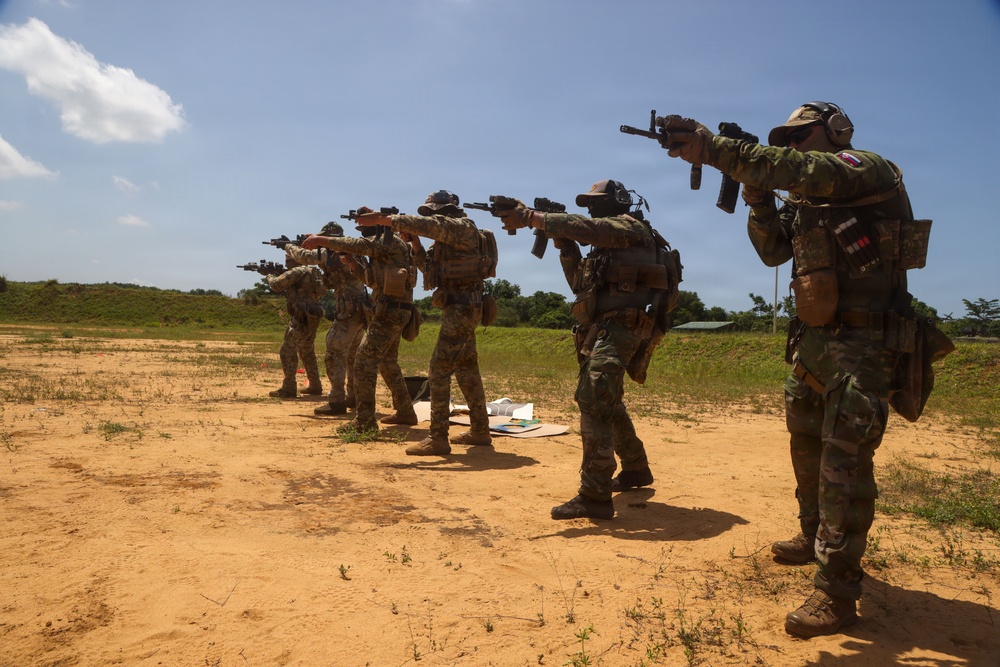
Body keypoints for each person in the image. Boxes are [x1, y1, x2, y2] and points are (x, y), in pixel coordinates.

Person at [658, 102, 932, 637]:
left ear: (834, 131)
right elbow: (772, 253)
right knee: (805, 445)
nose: (791, 145)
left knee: (844, 466)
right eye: (783, 138)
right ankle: (813, 537)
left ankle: (836, 592)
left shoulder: (865, 168)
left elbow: (802, 170)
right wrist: (758, 203)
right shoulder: (806, 200)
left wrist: (717, 150)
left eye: (799, 135)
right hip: (814, 344)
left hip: (866, 342)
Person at [497, 180, 680, 521]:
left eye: (598, 202)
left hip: (623, 327)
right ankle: (636, 468)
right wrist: (566, 246)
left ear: (619, 203)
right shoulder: (608, 247)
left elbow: (590, 227)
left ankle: (594, 495)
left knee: (594, 400)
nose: (591, 208)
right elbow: (580, 286)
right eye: (588, 203)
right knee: (607, 399)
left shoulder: (629, 228)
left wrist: (532, 217)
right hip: (610, 327)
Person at [355, 190, 492, 456]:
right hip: (461, 306)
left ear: (450, 209)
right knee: (466, 368)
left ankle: (438, 437)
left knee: (439, 369)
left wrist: (384, 219)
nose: (432, 215)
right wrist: (415, 245)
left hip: (463, 307)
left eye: (435, 211)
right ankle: (480, 430)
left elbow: (430, 226)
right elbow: (428, 268)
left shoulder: (461, 227)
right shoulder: (447, 239)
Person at [300, 220, 418, 432]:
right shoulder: (386, 247)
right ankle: (405, 411)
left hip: (389, 312)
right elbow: (371, 282)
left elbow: (355, 243)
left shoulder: (385, 241)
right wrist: (353, 263)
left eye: (364, 229)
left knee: (363, 361)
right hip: (390, 309)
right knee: (388, 363)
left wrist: (319, 240)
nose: (362, 234)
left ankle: (364, 422)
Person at [285, 221, 371, 415]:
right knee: (351, 357)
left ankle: (336, 401)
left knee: (334, 354)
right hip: (362, 312)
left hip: (347, 313)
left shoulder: (330, 253)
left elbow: (302, 256)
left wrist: (288, 246)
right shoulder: (356, 252)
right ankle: (352, 397)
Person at [263, 255, 327, 399]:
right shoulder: (312, 271)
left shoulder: (296, 271)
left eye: (288, 260)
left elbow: (276, 285)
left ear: (297, 259)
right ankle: (315, 385)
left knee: (287, 350)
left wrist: (268, 275)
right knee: (306, 350)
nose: (286, 264)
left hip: (301, 316)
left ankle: (289, 387)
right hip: (313, 314)